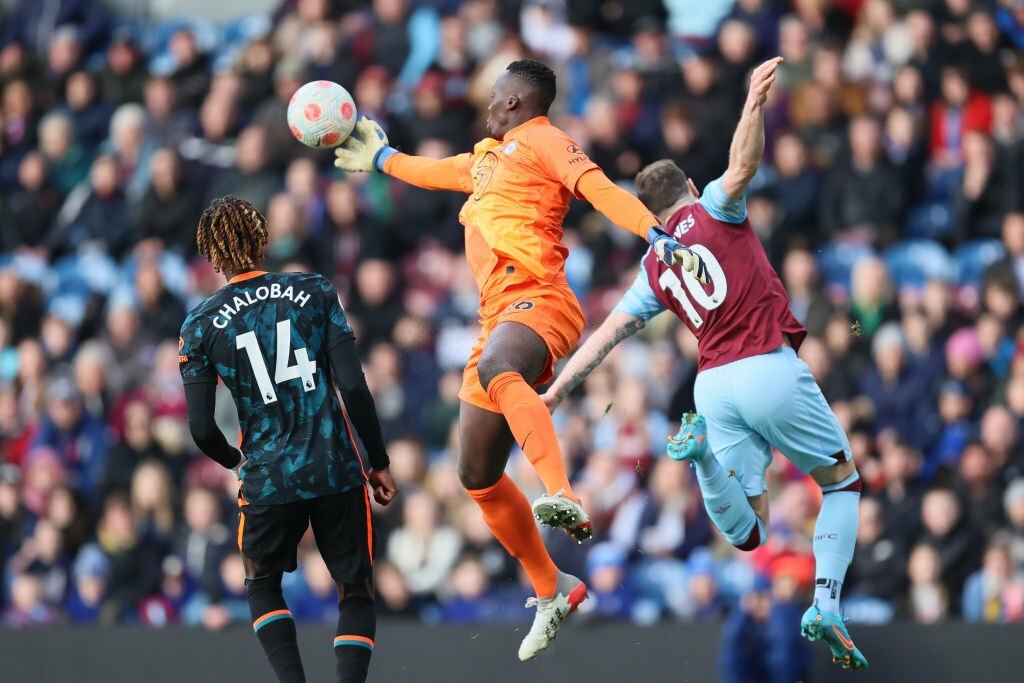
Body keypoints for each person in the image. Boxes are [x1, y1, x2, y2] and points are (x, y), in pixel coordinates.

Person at [333, 58, 704, 660]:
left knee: (497, 369)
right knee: (475, 475)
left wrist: (653, 230)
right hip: (497, 316)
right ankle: (553, 587)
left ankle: (564, 494)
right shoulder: (485, 160)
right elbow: (435, 172)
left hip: (540, 300)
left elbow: (598, 187)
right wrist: (382, 159)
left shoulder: (546, 141)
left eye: (495, 97)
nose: (486, 107)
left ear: (516, 103)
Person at [542, 57, 869, 671]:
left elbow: (608, 334)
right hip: (767, 365)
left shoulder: (651, 266)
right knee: (843, 484)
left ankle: (700, 462)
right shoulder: (713, 207)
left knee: (752, 533)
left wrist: (556, 394)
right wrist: (753, 102)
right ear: (690, 186)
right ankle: (827, 603)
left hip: (713, 385)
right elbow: (743, 165)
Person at [179, 196, 398, 683]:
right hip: (336, 466)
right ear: (262, 239)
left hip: (267, 476)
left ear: (212, 256)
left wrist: (237, 461)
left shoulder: (198, 325)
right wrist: (376, 459)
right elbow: (354, 386)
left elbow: (200, 428)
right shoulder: (316, 290)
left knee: (261, 585)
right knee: (356, 591)